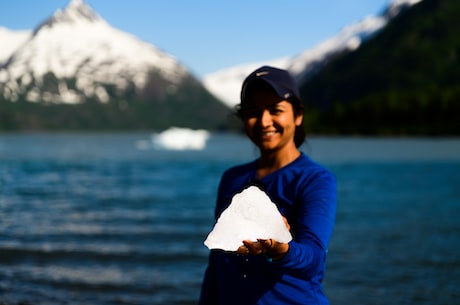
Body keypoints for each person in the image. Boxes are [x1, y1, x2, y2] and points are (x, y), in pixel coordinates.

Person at [198, 66, 337, 305]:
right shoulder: (232, 178)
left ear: (298, 115)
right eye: (253, 111)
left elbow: (314, 259)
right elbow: (217, 265)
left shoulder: (315, 180)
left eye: (275, 110)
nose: (264, 121)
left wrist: (283, 250)